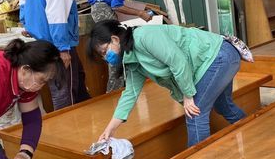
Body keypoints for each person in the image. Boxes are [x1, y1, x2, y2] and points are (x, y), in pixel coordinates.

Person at [89, 21, 246, 147]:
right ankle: (252, 131)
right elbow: (130, 94)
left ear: (115, 39)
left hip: (218, 57)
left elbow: (178, 62)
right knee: (223, 106)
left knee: (194, 114)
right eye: (102, 56)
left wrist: (188, 95)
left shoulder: (144, 36)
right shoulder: (132, 61)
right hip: (221, 58)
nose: (105, 58)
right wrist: (110, 129)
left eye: (104, 51)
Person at [88, 0, 159, 92]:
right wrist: (140, 13)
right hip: (102, 9)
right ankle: (114, 92)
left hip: (100, 7)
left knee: (120, 47)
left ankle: (121, 88)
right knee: (116, 50)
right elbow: (116, 5)